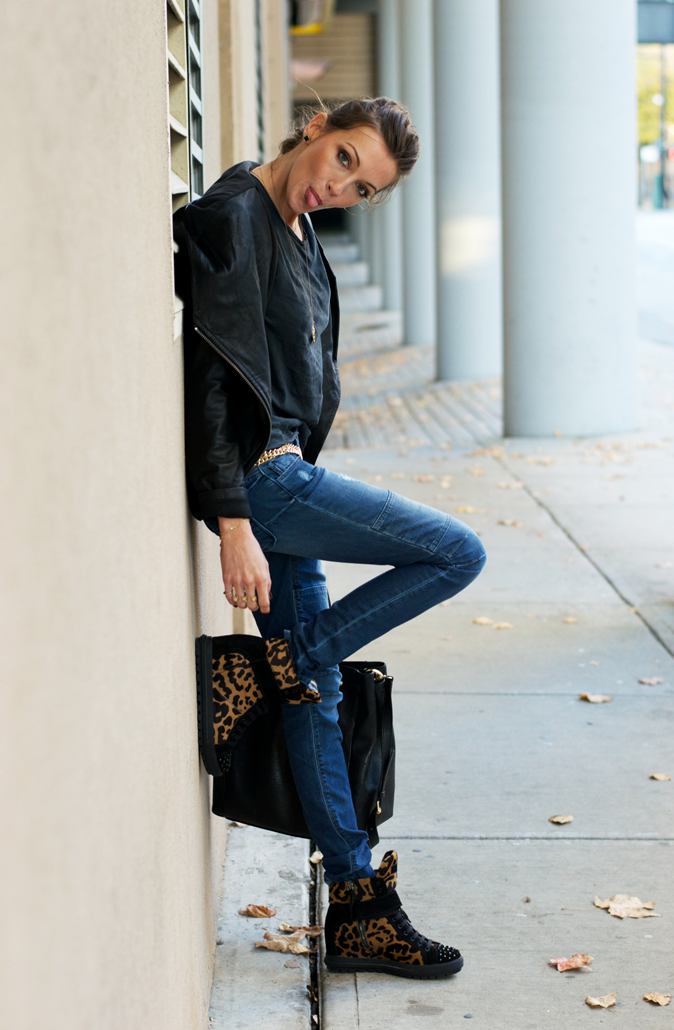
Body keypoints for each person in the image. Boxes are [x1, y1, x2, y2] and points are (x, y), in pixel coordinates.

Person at [174, 97, 486, 980]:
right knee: (456, 553)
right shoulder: (236, 216)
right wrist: (234, 521)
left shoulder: (298, 231)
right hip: (267, 484)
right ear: (315, 127)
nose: (339, 186)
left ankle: (357, 910)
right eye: (344, 159)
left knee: (311, 695)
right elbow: (212, 376)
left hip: (282, 476)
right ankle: (302, 650)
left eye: (362, 187)